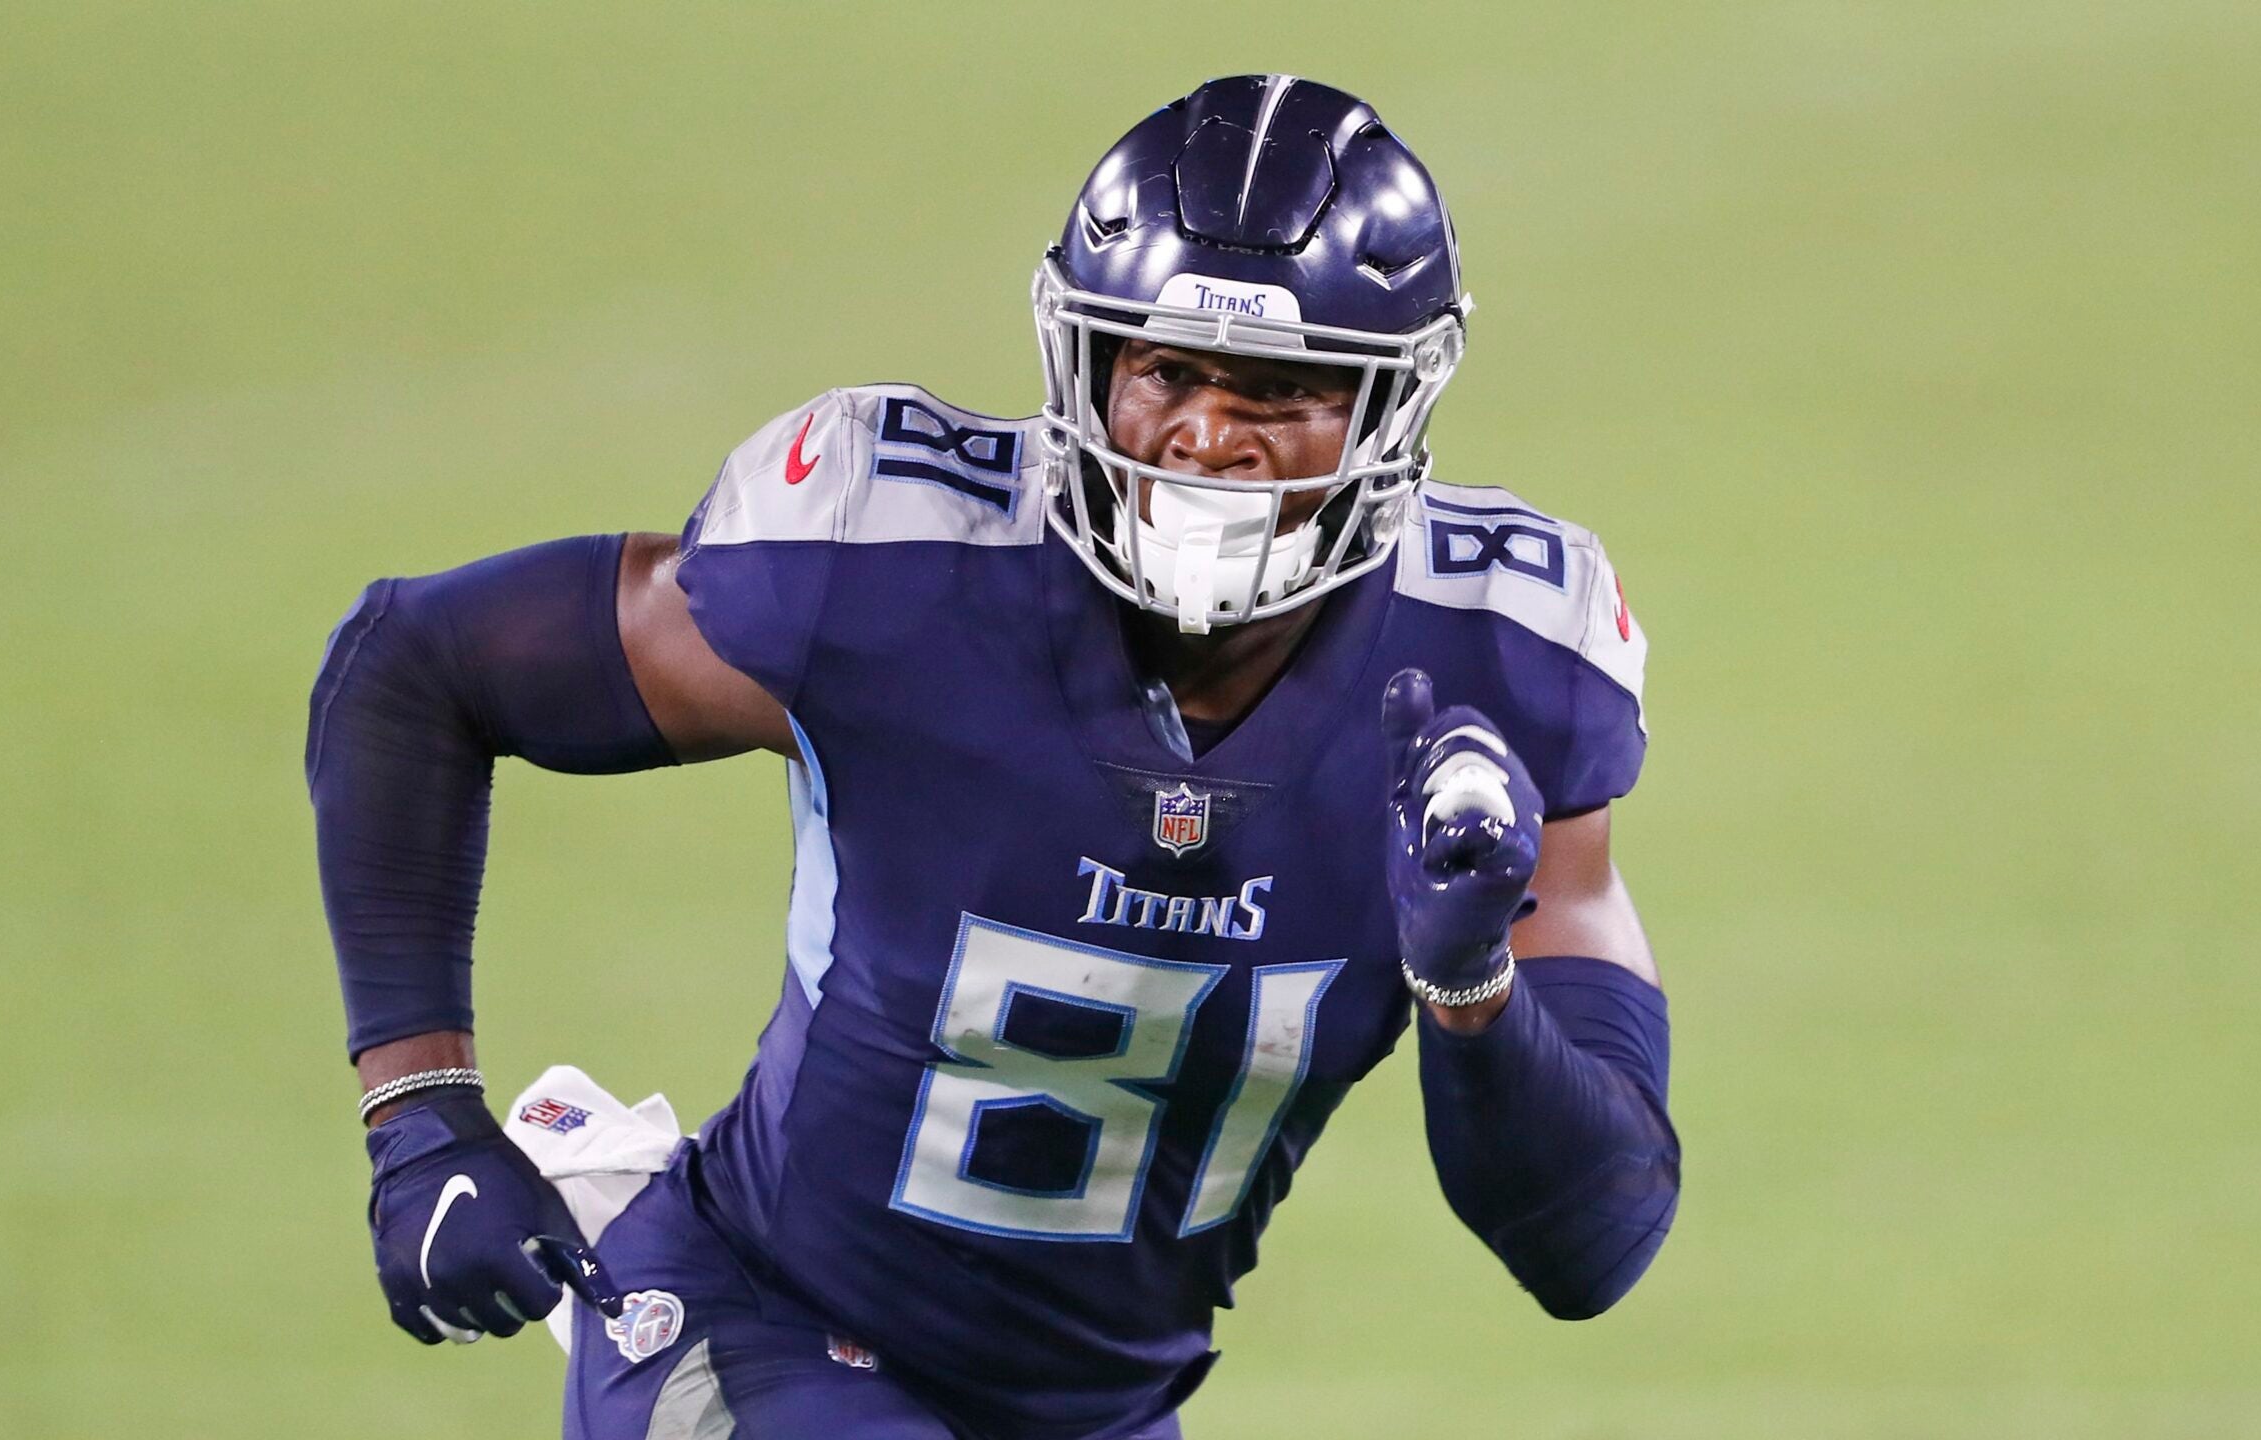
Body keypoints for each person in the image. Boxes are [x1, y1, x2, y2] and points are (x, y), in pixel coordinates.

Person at [309, 74, 1679, 1440]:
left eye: (1280, 388)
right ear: (1087, 363)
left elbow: (1593, 1246)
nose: (1204, 434)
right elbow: (412, 664)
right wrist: (422, 1115)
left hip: (1093, 1413)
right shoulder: (885, 559)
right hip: (766, 1317)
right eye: (1163, 369)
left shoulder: (1504, 669)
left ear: (1391, 411)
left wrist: (1471, 985)